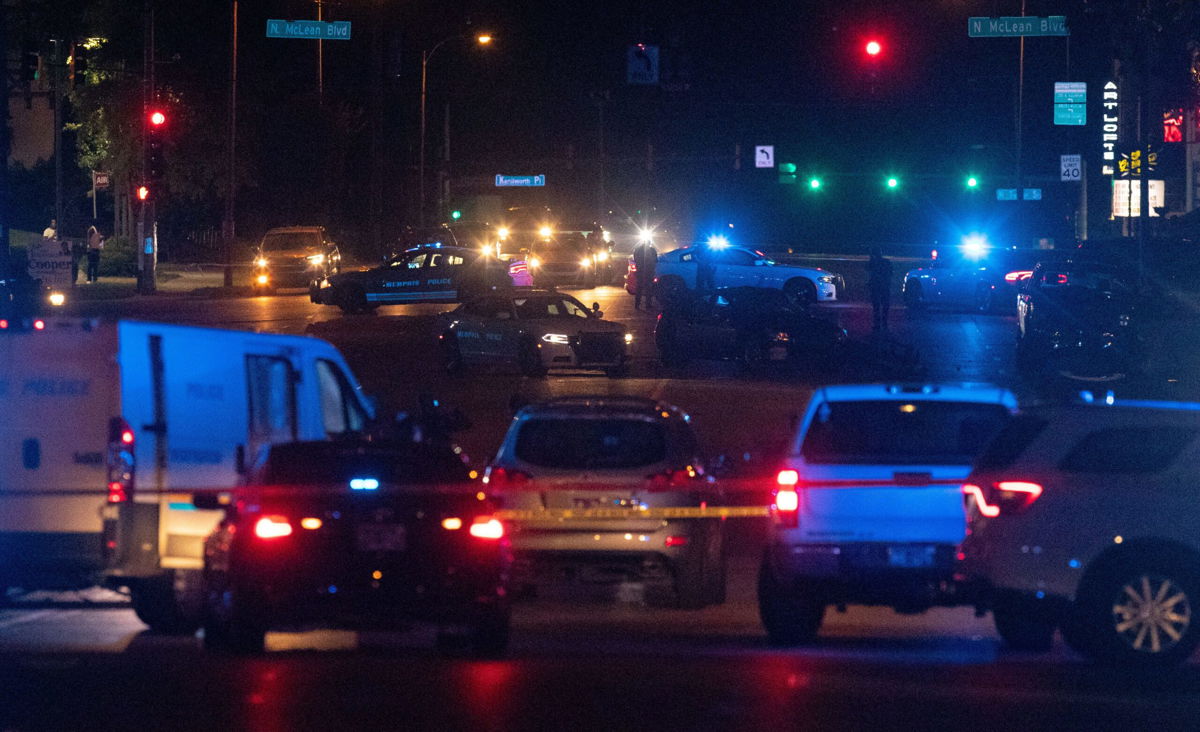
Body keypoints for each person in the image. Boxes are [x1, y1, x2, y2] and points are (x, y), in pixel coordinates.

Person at [866, 246, 893, 331]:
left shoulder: (873, 262)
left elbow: (867, 269)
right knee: (885, 305)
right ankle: (884, 323)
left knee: (876, 306)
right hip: (885, 285)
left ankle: (877, 324)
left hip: (875, 286)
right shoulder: (887, 262)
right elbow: (891, 273)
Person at [631, 239, 658, 309]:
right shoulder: (652, 250)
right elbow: (655, 260)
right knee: (648, 289)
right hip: (649, 272)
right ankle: (648, 305)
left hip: (640, 271)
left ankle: (637, 304)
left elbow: (635, 259)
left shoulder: (637, 250)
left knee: (639, 289)